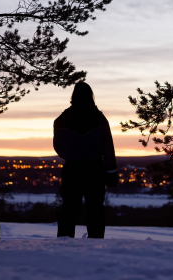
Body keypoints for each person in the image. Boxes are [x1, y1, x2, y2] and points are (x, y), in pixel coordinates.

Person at [53, 81, 118, 239]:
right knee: (95, 210)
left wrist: (71, 154)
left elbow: (58, 147)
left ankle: (64, 245)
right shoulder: (100, 119)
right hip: (94, 170)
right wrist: (112, 173)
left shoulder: (61, 120)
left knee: (69, 209)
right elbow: (108, 148)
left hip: (72, 169)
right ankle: (96, 244)